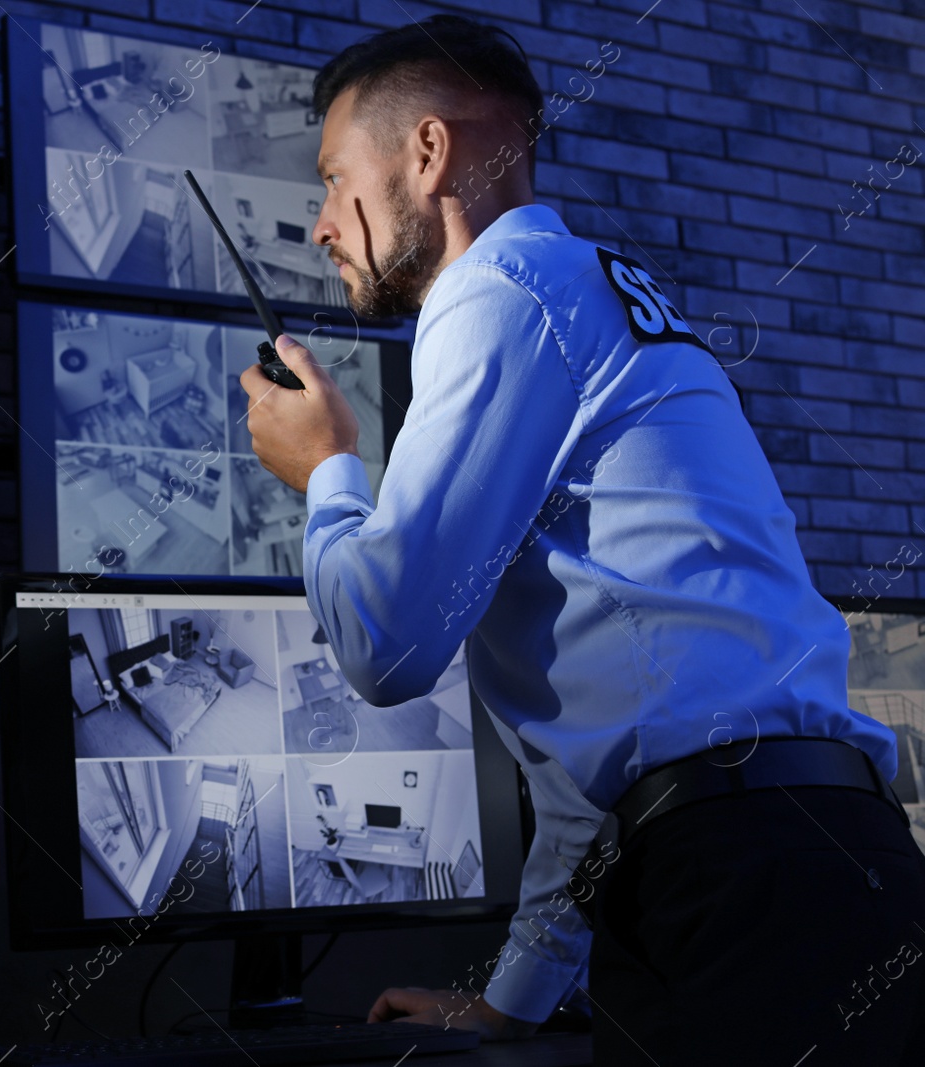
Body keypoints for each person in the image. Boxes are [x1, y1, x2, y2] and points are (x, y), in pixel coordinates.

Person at [239, 14, 925, 1064]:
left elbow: (385, 646)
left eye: (336, 178)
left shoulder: (497, 291)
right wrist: (514, 998)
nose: (323, 223)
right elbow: (605, 762)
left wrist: (326, 467)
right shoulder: (590, 295)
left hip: (732, 882)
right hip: (805, 866)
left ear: (425, 153)